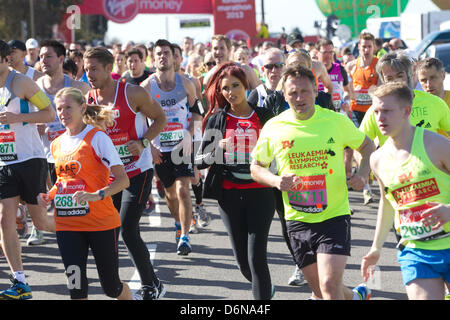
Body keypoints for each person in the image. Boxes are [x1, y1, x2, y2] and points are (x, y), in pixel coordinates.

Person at [250, 64, 376, 300]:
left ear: (316, 92)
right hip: (298, 220)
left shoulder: (335, 121)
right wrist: (276, 180)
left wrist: (363, 173)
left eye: (305, 91)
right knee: (322, 290)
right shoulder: (275, 127)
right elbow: (256, 167)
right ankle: (359, 296)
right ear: (284, 95)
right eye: (293, 93)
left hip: (333, 216)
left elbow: (367, 145)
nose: (299, 98)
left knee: (328, 286)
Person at [84, 46, 167, 299]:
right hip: (110, 175)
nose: (89, 74)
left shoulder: (132, 92)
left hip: (137, 170)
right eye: (86, 70)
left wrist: (143, 143)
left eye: (94, 69)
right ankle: (137, 283)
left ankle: (149, 285)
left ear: (109, 68)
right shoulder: (89, 100)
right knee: (112, 230)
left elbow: (160, 119)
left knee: (129, 229)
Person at [36, 87, 133, 300]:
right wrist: (48, 196)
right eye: (59, 109)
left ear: (82, 107)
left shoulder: (97, 138)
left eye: (68, 107)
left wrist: (97, 195)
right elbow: (62, 181)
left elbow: (122, 180)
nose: (63, 113)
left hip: (101, 223)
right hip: (67, 225)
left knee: (111, 287)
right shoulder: (56, 144)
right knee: (76, 289)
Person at [361, 82, 449, 300]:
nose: (380, 118)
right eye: (376, 111)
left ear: (406, 111)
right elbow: (387, 201)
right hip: (415, 249)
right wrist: (375, 248)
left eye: (387, 111)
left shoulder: (436, 144)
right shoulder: (377, 159)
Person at [196, 62, 276, 299]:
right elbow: (200, 160)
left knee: (256, 257)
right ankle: (264, 289)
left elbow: (281, 150)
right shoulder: (217, 120)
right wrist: (216, 151)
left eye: (236, 85)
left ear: (246, 85)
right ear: (220, 92)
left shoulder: (264, 116)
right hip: (229, 196)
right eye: (226, 88)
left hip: (261, 193)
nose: (231, 92)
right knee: (243, 263)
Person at [0, 40, 56, 300]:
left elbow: (49, 113)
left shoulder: (21, 83)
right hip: (3, 162)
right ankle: (20, 281)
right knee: (4, 219)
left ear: (5, 59)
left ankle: (84, 229)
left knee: (41, 221)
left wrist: (18, 118)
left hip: (30, 159)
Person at [141, 39, 197, 255]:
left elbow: (197, 112)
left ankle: (185, 235)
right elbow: (141, 120)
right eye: (158, 54)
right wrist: (149, 146)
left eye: (166, 52)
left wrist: (190, 137)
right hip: (159, 148)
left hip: (182, 145)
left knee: (183, 189)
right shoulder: (146, 87)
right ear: (153, 58)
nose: (163, 56)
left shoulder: (186, 84)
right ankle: (177, 222)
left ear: (174, 57)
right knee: (170, 193)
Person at [33, 39, 90, 246]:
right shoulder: (34, 88)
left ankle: (82, 238)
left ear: (61, 59)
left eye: (48, 56)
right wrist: (35, 124)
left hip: (75, 155)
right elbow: (25, 117)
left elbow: (94, 120)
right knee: (59, 205)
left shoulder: (78, 87)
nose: (43, 61)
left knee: (74, 204)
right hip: (45, 155)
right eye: (41, 57)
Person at [360, 52, 450, 147]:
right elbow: (360, 145)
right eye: (389, 78)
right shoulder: (376, 110)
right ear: (383, 81)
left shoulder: (435, 102)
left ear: (409, 75)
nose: (396, 82)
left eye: (400, 76)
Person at [346, 32, 381, 205]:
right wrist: (349, 95)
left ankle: (372, 176)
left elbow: (382, 89)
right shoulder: (352, 66)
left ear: (374, 47)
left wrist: (372, 92)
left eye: (369, 46)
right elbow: (345, 88)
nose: (366, 50)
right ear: (358, 47)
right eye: (363, 46)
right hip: (355, 112)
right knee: (359, 149)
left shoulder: (378, 65)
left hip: (374, 113)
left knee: (374, 148)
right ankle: (367, 189)